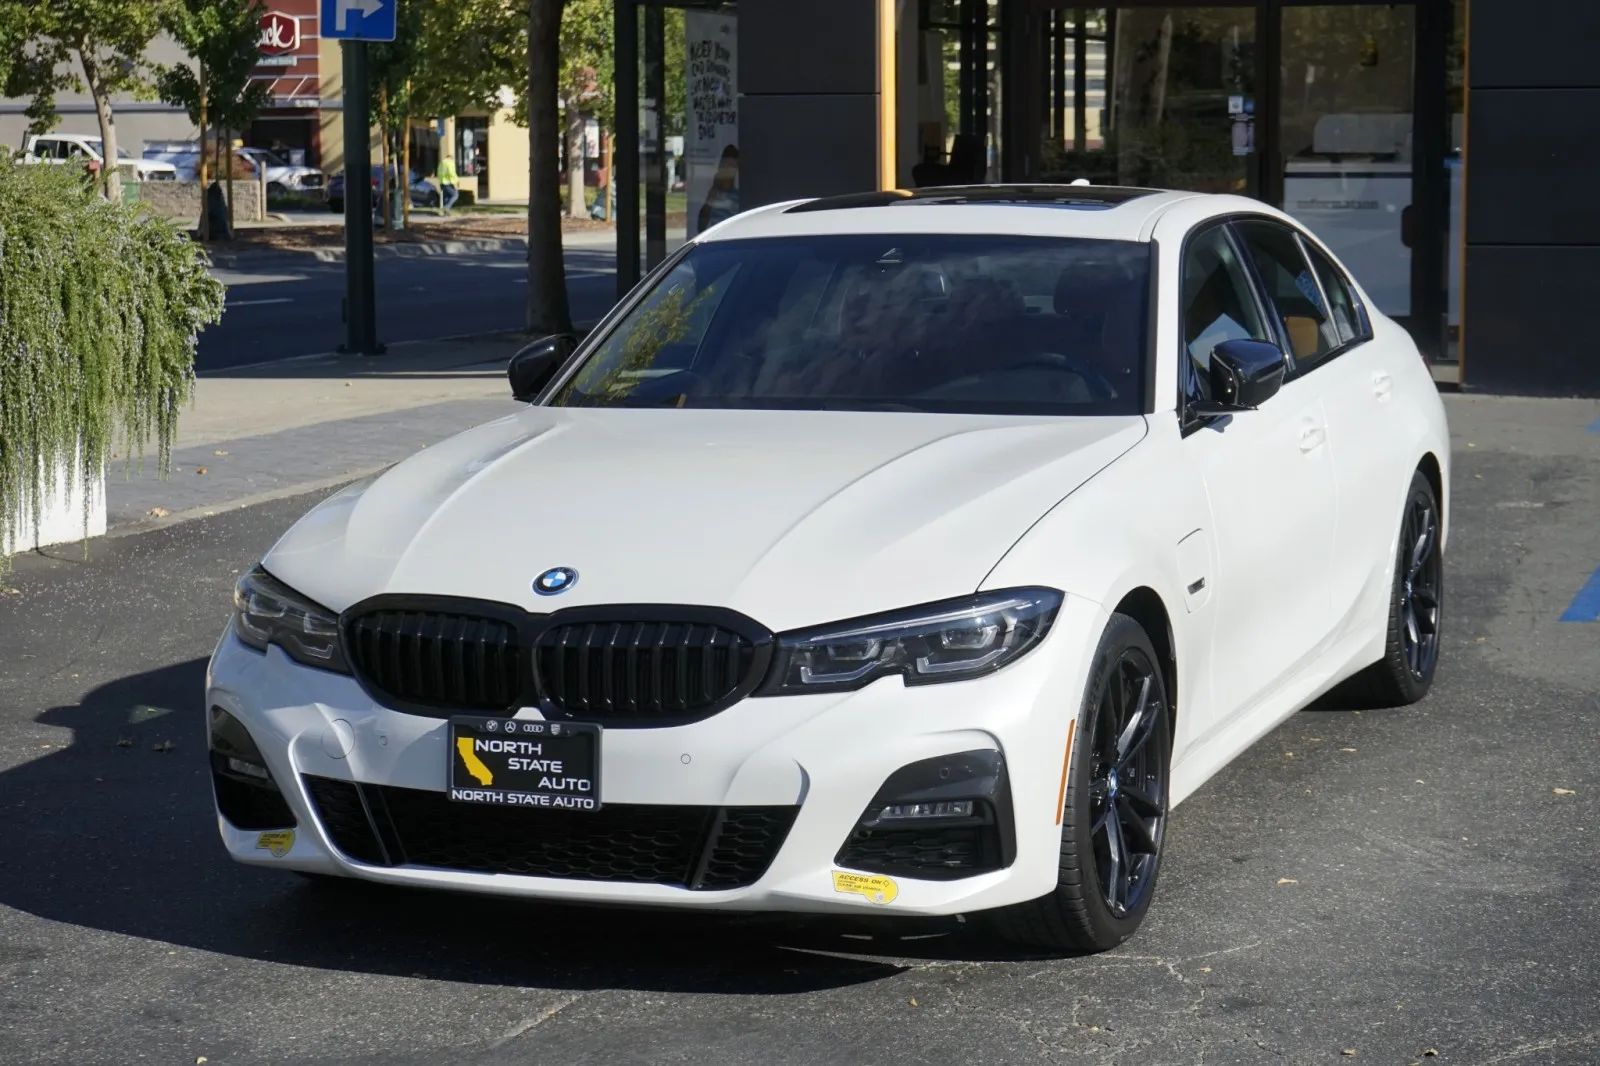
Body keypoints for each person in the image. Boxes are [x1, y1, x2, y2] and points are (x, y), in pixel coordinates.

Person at [696, 144, 739, 234]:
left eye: (731, 166)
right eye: (724, 165)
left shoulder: (739, 196)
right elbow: (701, 226)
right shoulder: (714, 193)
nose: (727, 170)